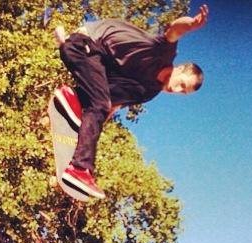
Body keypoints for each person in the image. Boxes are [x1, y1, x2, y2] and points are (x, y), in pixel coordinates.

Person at [54, 4, 209, 199]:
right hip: (86, 46)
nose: (175, 90)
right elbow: (175, 30)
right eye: (181, 84)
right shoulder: (163, 54)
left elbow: (112, 104)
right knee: (100, 103)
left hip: (93, 62)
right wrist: (192, 24)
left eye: (182, 92)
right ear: (179, 69)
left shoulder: (148, 92)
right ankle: (79, 169)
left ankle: (72, 98)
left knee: (101, 105)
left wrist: (90, 126)